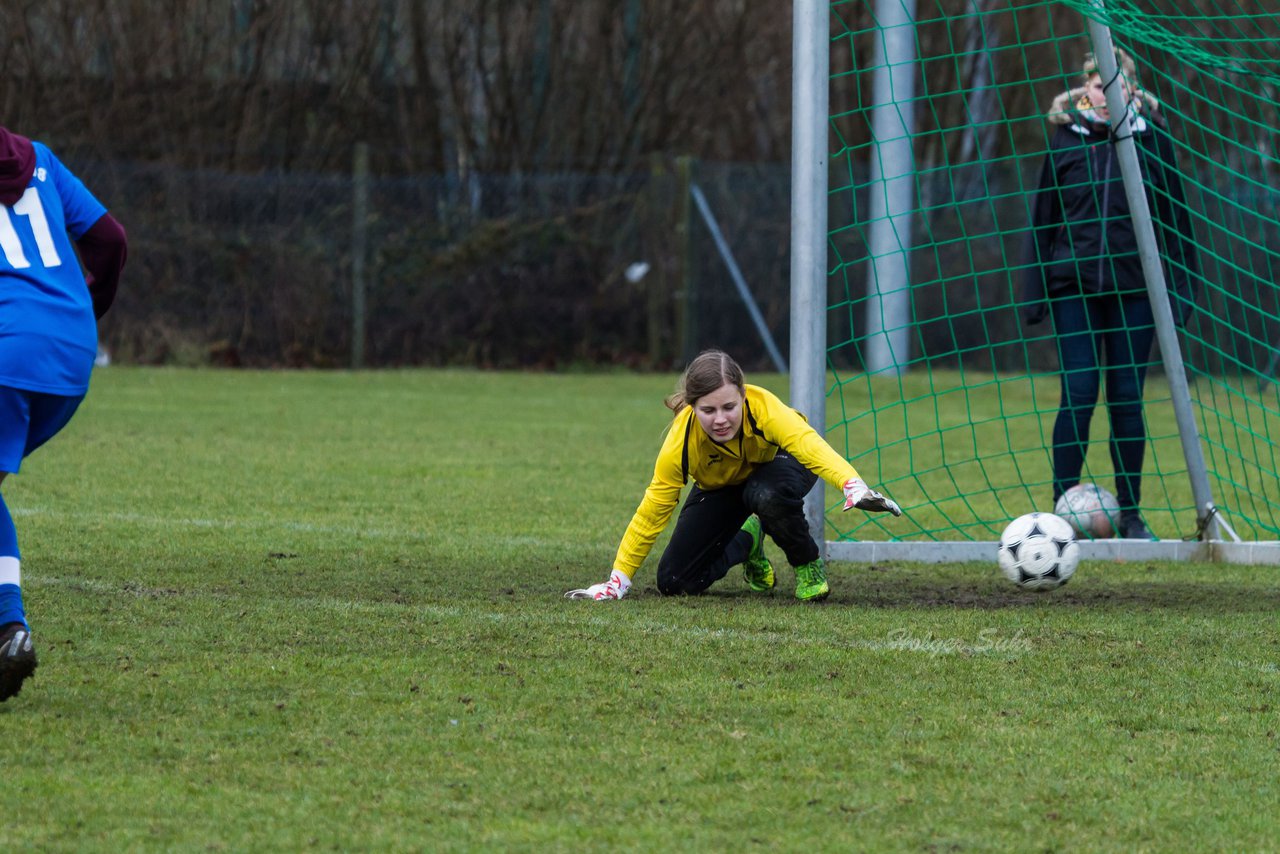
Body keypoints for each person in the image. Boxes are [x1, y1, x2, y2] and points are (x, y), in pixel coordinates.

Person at [1022, 49, 1197, 540]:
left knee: (1126, 398)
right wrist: (1036, 292)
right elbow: (1043, 219)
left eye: (1117, 85)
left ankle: (1132, 515)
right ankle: (1060, 511)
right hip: (1072, 289)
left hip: (1136, 292)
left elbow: (1176, 220)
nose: (1107, 93)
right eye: (1099, 85)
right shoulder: (1064, 138)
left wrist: (1182, 291)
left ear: (1132, 91)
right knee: (1078, 394)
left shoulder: (1152, 138)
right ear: (1085, 89)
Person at [566, 349, 902, 602]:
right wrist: (618, 581)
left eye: (729, 407)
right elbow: (653, 510)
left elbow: (808, 444)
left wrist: (851, 484)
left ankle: (807, 566)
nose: (720, 419)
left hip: (780, 465)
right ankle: (748, 541)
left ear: (742, 396)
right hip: (723, 485)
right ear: (691, 407)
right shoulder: (680, 442)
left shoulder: (764, 408)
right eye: (708, 410)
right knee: (674, 582)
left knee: (764, 493)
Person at [0, 124, 128, 701]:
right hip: (72, 356)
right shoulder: (39, 158)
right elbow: (111, 240)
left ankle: (9, 627)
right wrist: (83, 312)